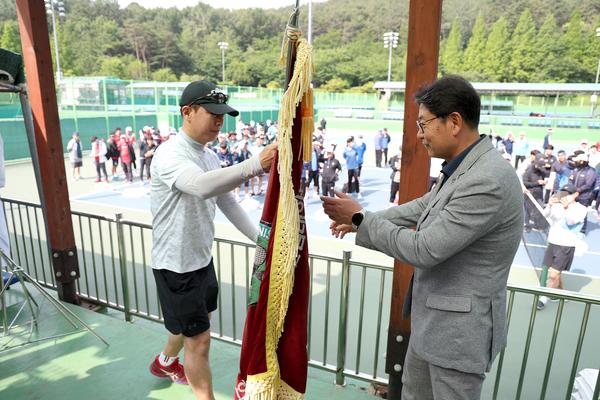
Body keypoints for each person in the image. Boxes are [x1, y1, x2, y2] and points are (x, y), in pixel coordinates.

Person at [320, 76, 523, 399]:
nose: (419, 134)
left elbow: (425, 248)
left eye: (423, 124)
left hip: (458, 336)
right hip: (435, 325)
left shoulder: (487, 179)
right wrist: (363, 221)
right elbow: (423, 207)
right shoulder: (466, 166)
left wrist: (360, 219)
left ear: (454, 122)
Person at [149, 80, 277, 399]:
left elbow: (227, 201)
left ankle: (164, 361)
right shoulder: (170, 154)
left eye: (223, 116)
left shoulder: (209, 156)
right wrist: (254, 166)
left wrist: (263, 240)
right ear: (187, 112)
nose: (219, 121)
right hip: (176, 267)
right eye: (213, 113)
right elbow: (200, 186)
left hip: (201, 260)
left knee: (193, 324)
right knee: (200, 340)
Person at [537, 184, 587, 310]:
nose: (564, 195)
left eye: (568, 193)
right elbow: (545, 215)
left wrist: (567, 207)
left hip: (566, 246)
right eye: (563, 192)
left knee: (553, 275)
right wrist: (549, 205)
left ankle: (544, 297)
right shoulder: (556, 205)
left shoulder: (581, 209)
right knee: (556, 274)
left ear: (575, 195)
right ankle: (561, 293)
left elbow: (571, 221)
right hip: (552, 242)